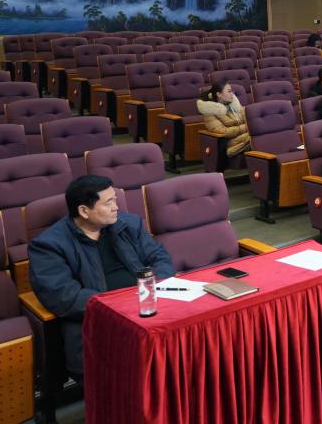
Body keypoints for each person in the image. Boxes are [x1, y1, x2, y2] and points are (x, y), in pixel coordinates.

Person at [29, 175, 174, 380]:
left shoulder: (128, 224)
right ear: (84, 211)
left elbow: (159, 257)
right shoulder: (49, 245)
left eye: (115, 199)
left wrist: (151, 292)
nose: (116, 207)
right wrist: (122, 306)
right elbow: (63, 296)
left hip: (149, 309)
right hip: (101, 324)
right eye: (109, 203)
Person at [197, 81, 250, 156]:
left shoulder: (235, 106)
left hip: (242, 136)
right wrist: (245, 127)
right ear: (219, 94)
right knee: (253, 137)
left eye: (232, 91)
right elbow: (223, 132)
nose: (232, 94)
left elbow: (248, 119)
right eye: (229, 91)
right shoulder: (209, 111)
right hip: (228, 143)